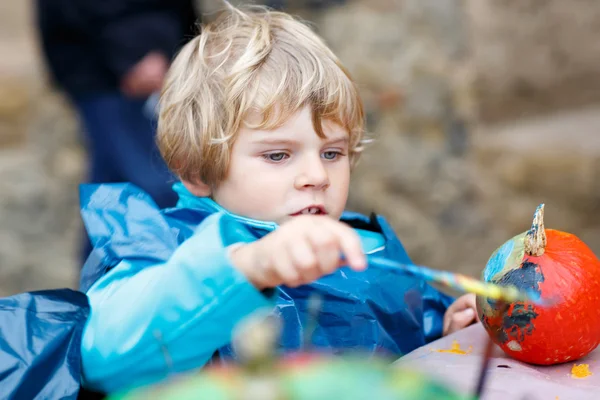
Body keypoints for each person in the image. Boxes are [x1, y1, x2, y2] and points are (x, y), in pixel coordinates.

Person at [0, 5, 477, 398]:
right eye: (277, 155)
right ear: (197, 170)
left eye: (332, 152)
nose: (315, 176)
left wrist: (444, 331)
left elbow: (396, 336)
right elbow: (106, 348)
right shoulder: (159, 250)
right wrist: (245, 269)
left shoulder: (365, 245)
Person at [35, 0, 200, 259]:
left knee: (113, 184)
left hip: (146, 60)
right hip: (113, 68)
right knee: (153, 184)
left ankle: (96, 286)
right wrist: (136, 52)